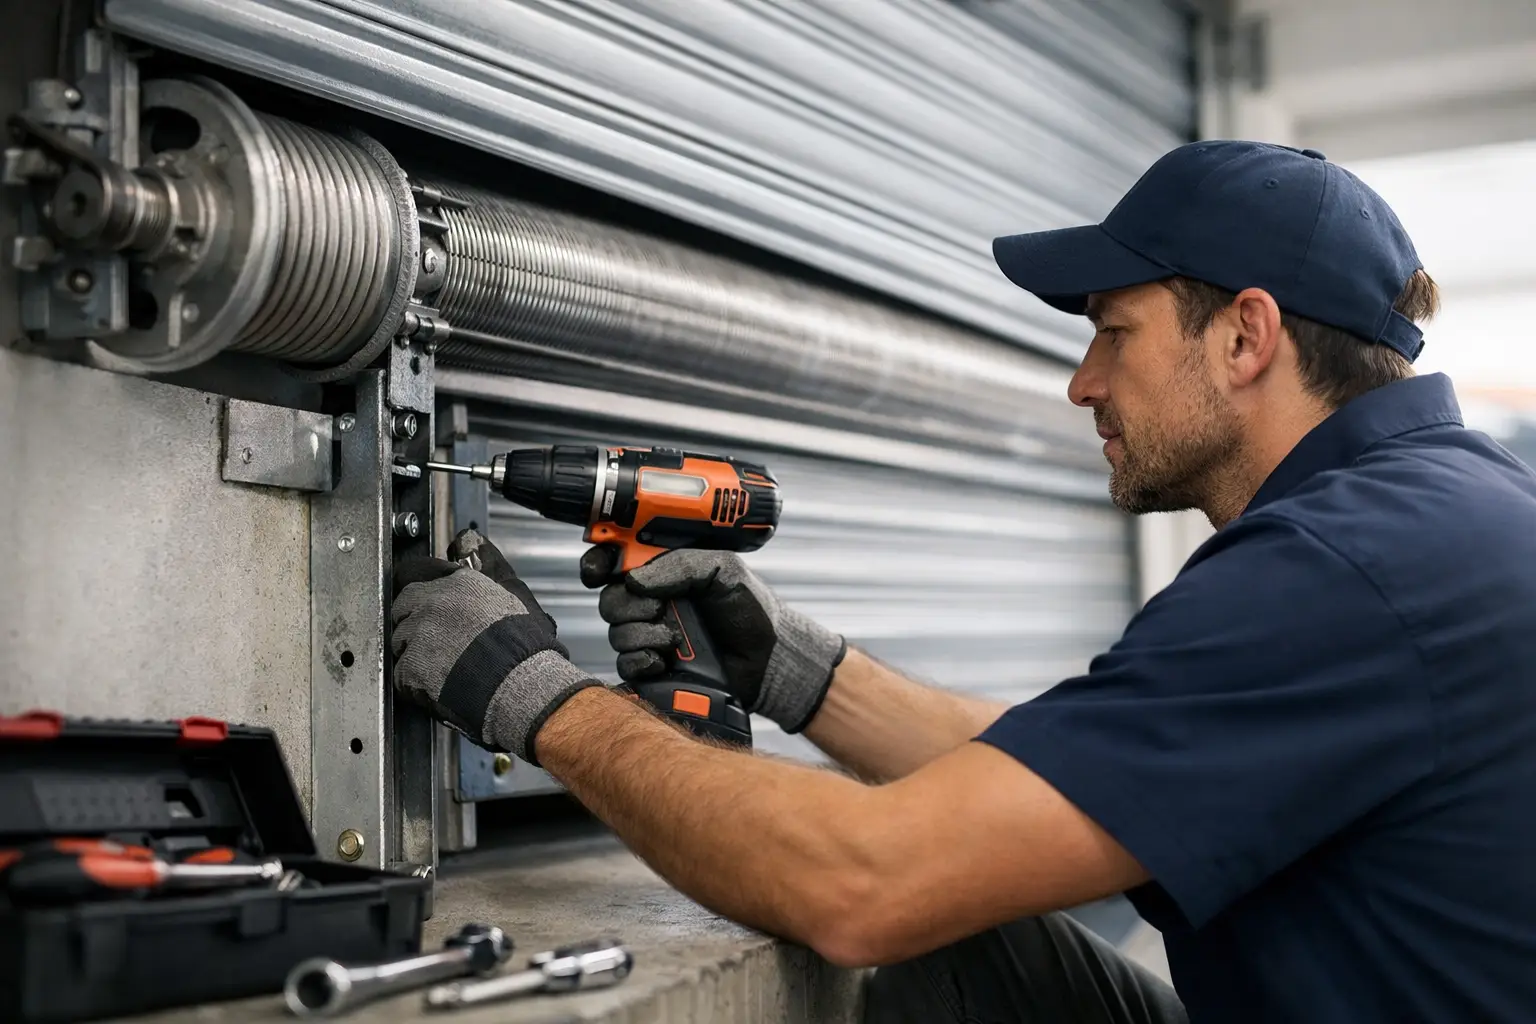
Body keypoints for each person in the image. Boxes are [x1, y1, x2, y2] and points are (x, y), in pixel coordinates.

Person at [389, 140, 1536, 1023]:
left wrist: (532, 695)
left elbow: (862, 885)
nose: (1084, 383)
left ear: (1246, 338)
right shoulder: (1427, 514)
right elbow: (1077, 771)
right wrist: (794, 668)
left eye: (1114, 332)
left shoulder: (1343, 573)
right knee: (976, 943)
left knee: (910, 909)